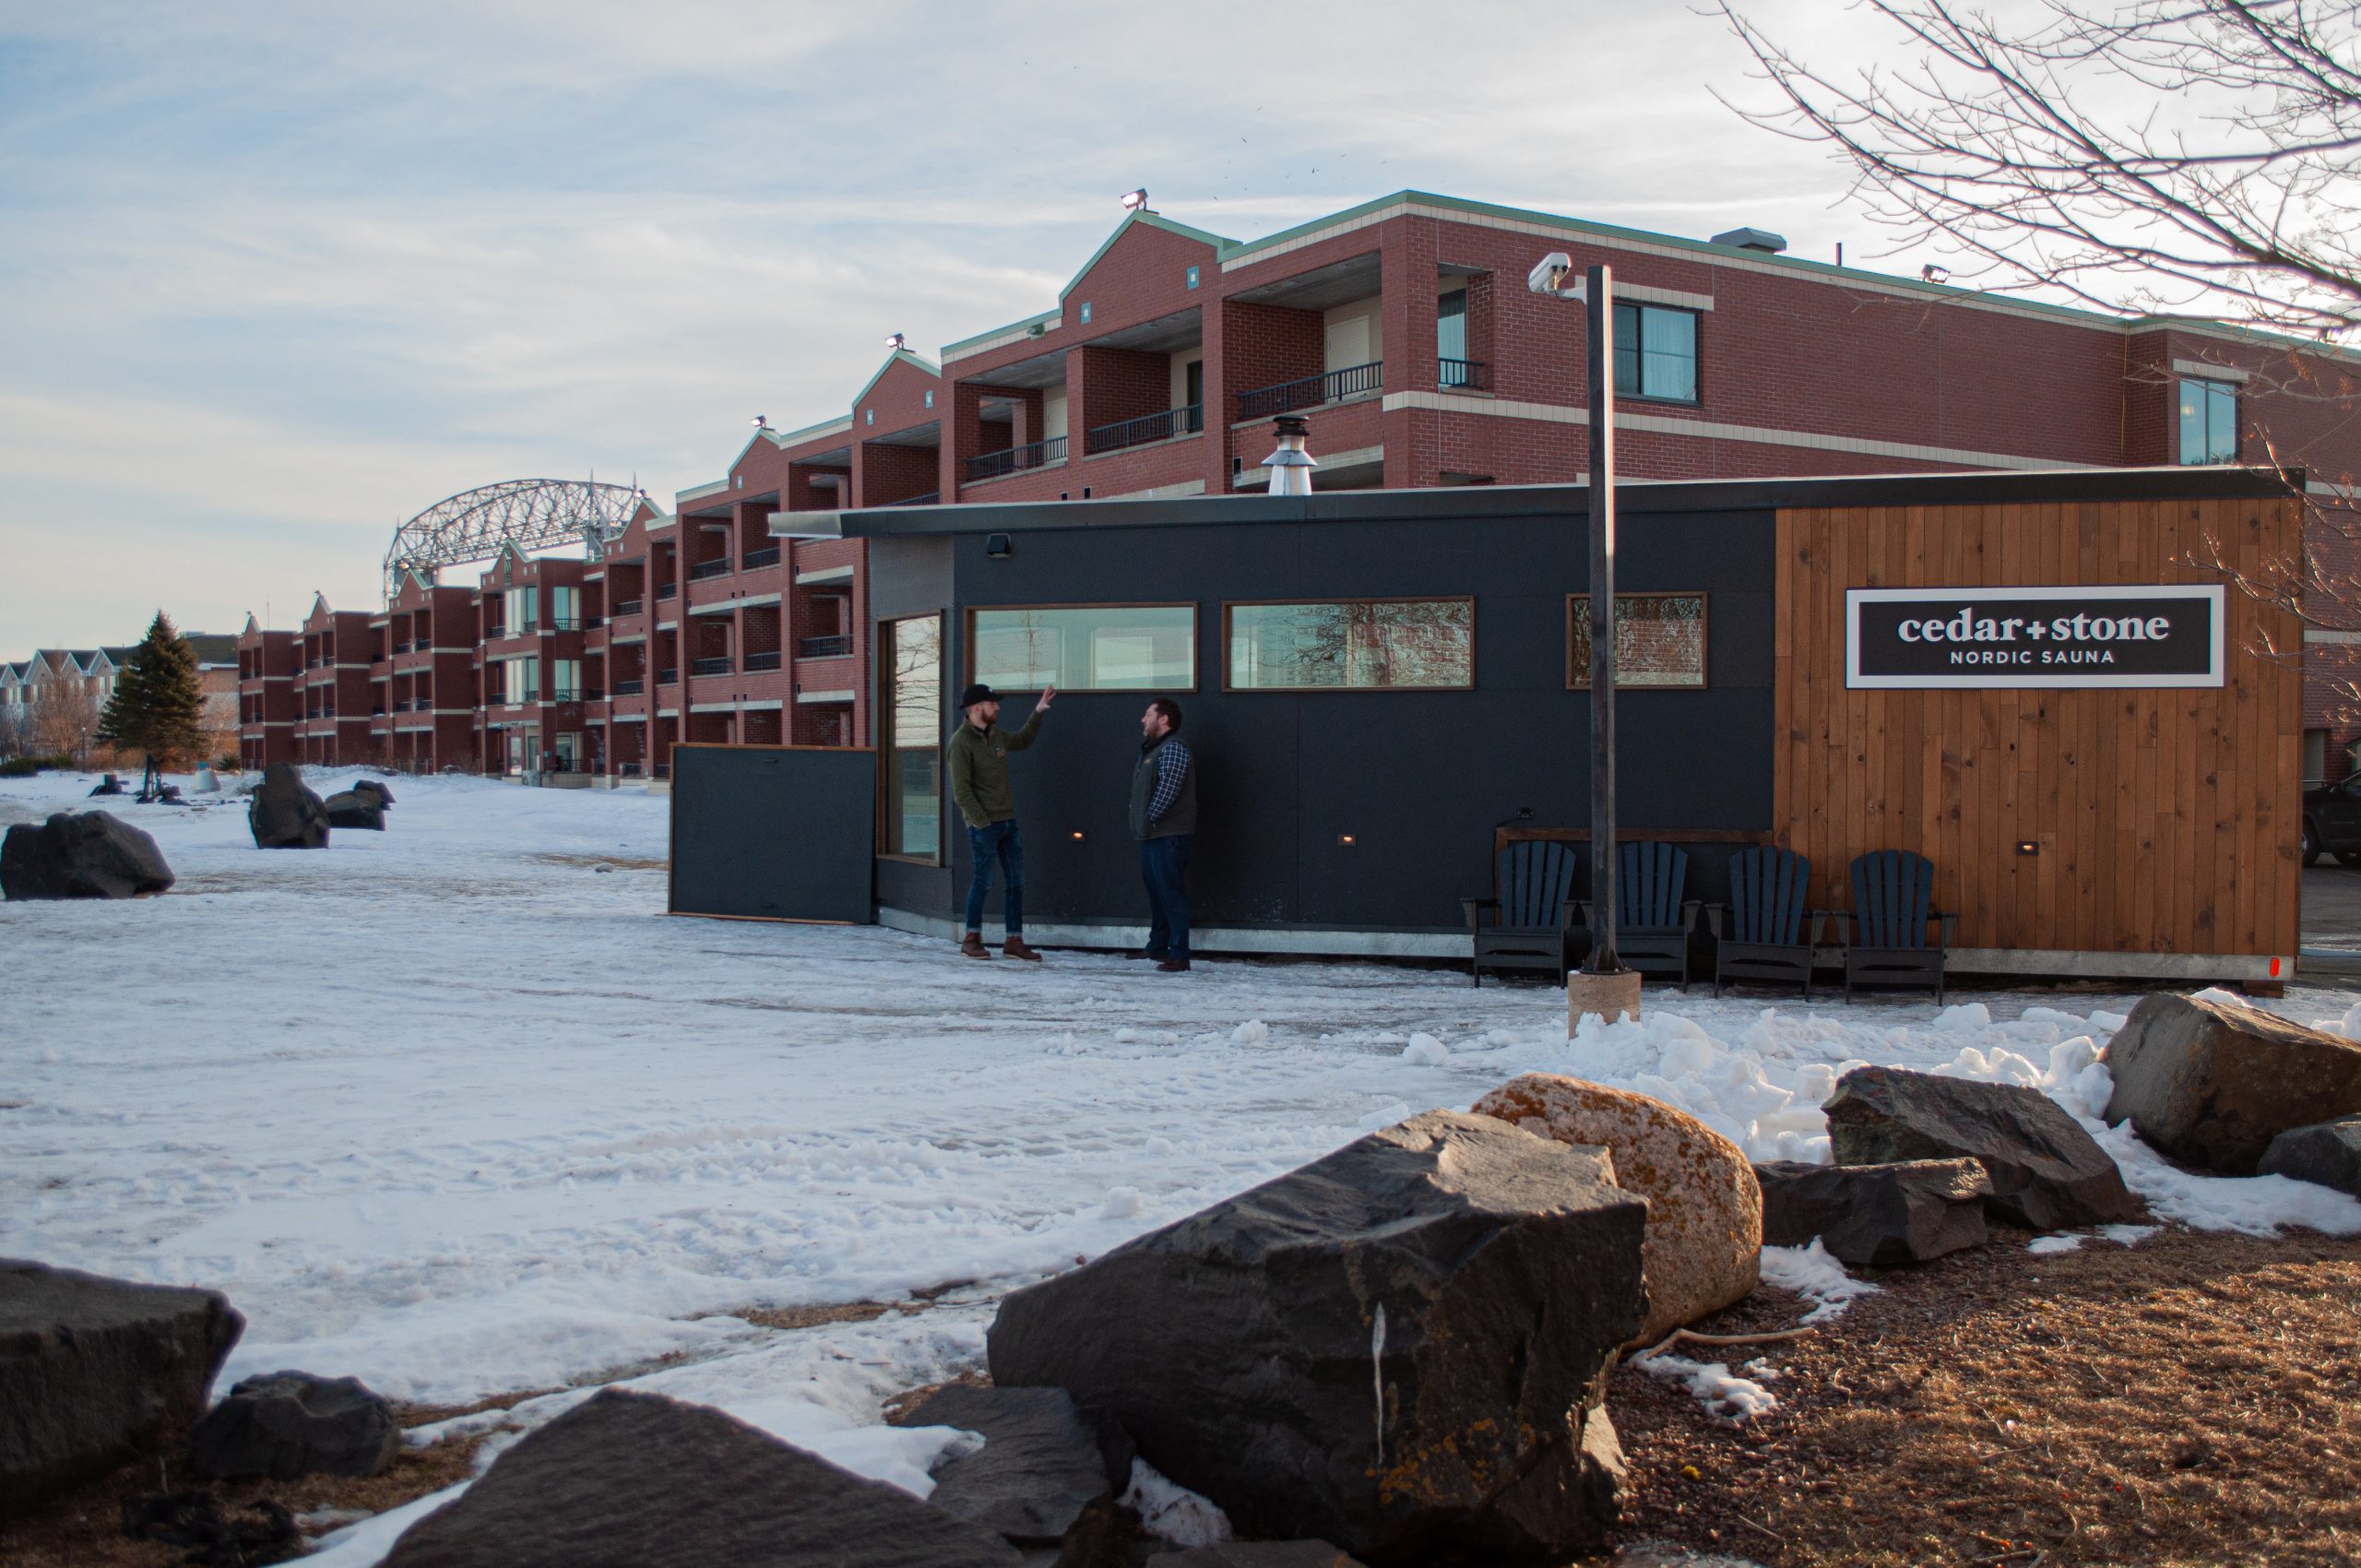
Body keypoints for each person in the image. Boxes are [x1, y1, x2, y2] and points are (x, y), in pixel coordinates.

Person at [946, 681, 1054, 960]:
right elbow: (961, 792)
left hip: (1008, 822)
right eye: (993, 703)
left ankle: (1014, 941)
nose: (997, 707)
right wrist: (982, 822)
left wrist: (1039, 711)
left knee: (1015, 881)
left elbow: (1023, 740)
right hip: (984, 826)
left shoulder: (995, 735)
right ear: (976, 708)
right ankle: (971, 939)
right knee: (983, 880)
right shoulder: (960, 743)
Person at [1127, 696, 1195, 973]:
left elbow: (1169, 788)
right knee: (1157, 894)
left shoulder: (1174, 748)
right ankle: (1157, 946)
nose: (1143, 720)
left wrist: (1149, 817)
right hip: (1151, 835)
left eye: (1148, 714)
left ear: (1163, 719)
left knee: (1171, 894)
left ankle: (1179, 954)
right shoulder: (1151, 750)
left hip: (1168, 835)